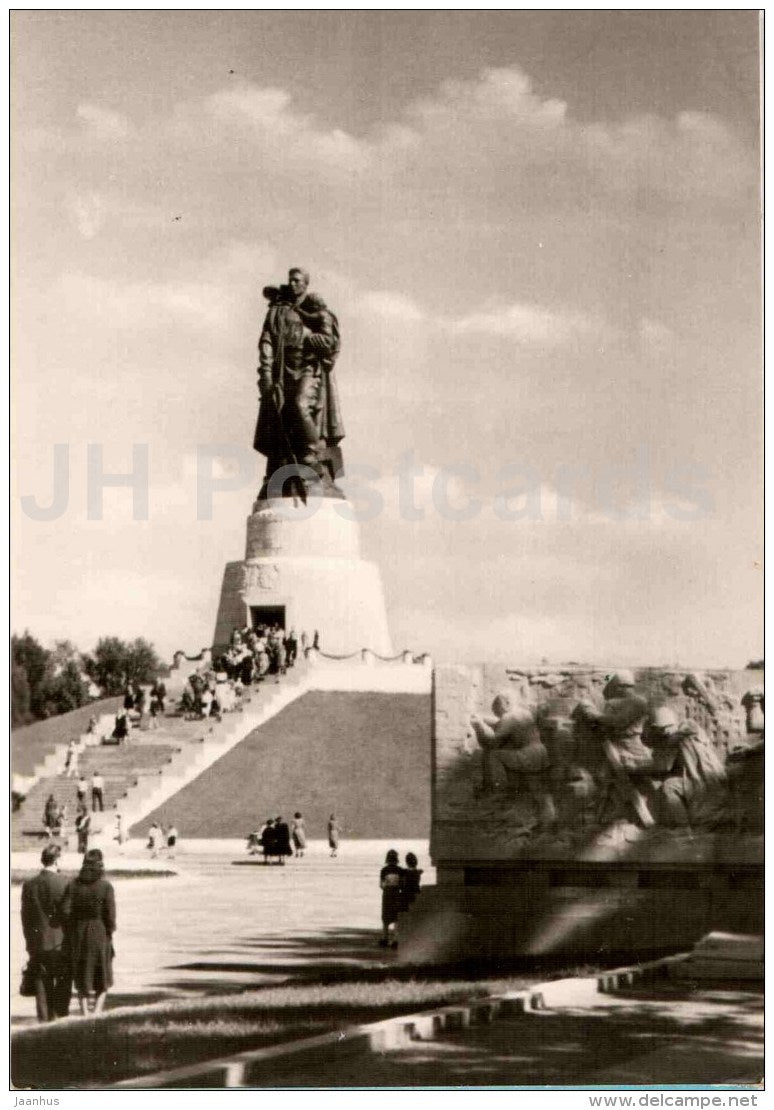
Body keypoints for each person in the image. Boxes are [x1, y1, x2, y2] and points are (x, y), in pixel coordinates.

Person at [253, 268, 345, 497]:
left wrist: (322, 344)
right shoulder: (278, 311)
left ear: (305, 284)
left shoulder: (315, 309)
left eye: (298, 281)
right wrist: (265, 373)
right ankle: (283, 474)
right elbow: (267, 341)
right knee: (281, 419)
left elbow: (331, 342)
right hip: (282, 371)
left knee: (299, 406)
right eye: (291, 280)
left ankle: (312, 460)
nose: (293, 284)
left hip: (308, 368)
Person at [61, 848, 116, 1015]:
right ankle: (97, 1009)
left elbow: (65, 911)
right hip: (99, 931)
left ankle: (85, 1011)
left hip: (79, 931)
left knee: (81, 970)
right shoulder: (106, 886)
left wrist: (72, 928)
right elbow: (111, 915)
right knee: (102, 970)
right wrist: (110, 931)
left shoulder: (73, 885)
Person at [21, 844, 71, 1022]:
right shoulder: (64, 882)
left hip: (38, 941)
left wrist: (29, 943)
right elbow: (68, 913)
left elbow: (25, 917)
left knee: (41, 982)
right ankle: (61, 1015)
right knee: (64, 979)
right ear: (57, 860)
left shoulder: (29, 885)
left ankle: (44, 1020)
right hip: (60, 940)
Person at [379, 849, 404, 948]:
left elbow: (381, 885)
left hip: (387, 894)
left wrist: (388, 884)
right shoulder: (400, 870)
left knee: (385, 917)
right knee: (396, 917)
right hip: (396, 893)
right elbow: (402, 884)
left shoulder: (384, 870)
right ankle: (395, 940)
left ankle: (385, 938)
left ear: (387, 859)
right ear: (396, 859)